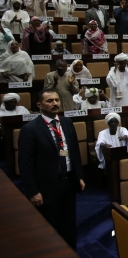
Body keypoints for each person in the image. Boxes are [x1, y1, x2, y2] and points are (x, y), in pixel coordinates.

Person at [18, 89, 85, 249]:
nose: (55, 103)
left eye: (56, 100)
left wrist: (80, 176)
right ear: (39, 105)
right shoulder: (30, 129)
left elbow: (74, 151)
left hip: (68, 181)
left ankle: (71, 255)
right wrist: (33, 191)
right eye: (49, 101)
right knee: (49, 226)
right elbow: (25, 164)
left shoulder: (67, 123)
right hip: (47, 186)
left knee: (68, 224)